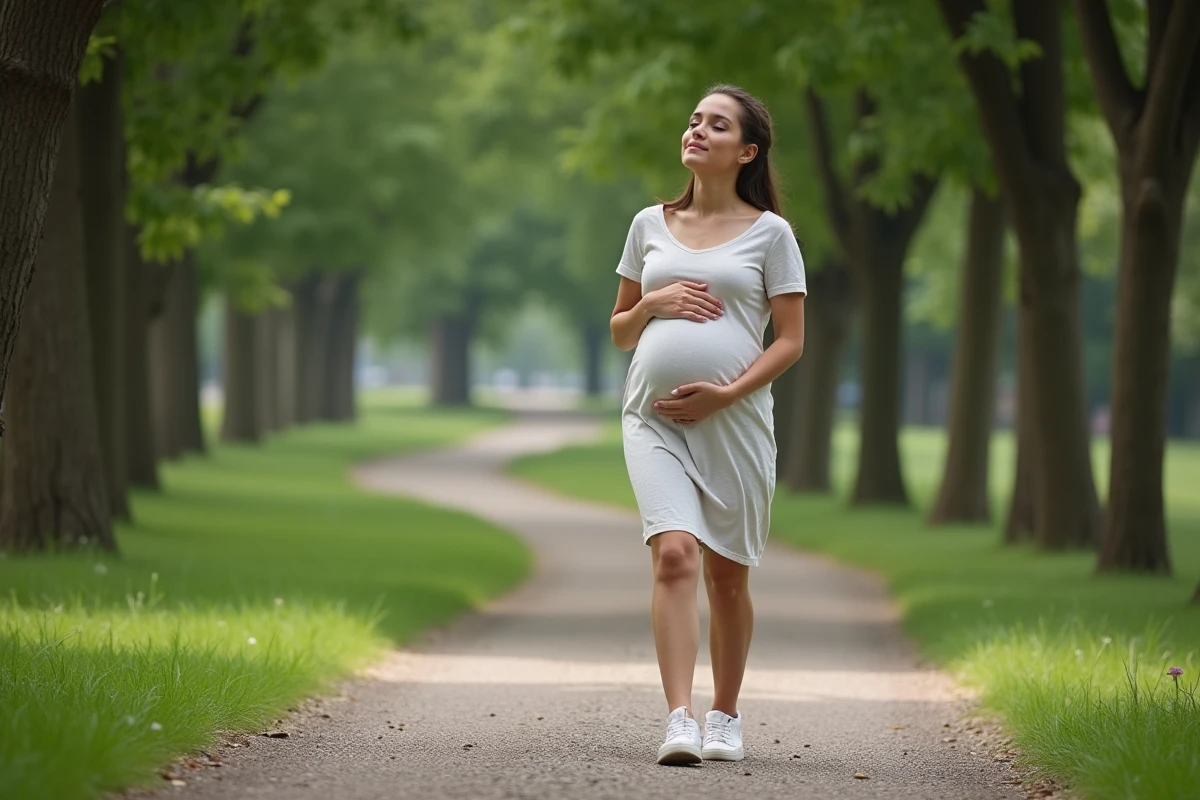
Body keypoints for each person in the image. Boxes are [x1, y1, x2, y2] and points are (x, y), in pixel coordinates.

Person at [609, 84, 807, 766]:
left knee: (727, 579)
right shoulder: (649, 224)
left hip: (735, 423)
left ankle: (725, 715)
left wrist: (725, 395)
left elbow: (790, 340)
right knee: (674, 556)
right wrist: (651, 304)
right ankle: (679, 719)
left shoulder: (771, 234)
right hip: (654, 421)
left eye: (716, 125)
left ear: (747, 152)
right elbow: (620, 331)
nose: (696, 130)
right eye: (694, 120)